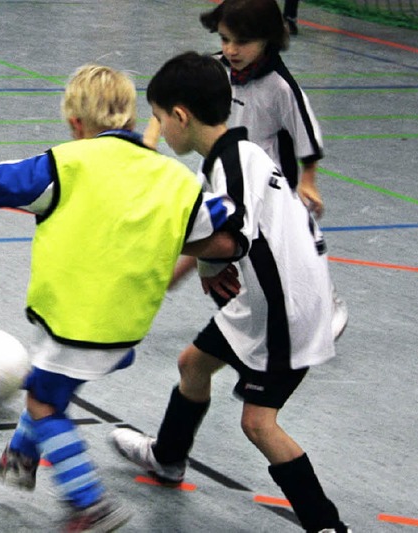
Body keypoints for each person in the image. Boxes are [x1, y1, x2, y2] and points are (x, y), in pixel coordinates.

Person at [0, 64, 239, 532]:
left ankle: (88, 505)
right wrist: (216, 251)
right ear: (130, 118)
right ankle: (21, 457)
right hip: (124, 323)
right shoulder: (177, 181)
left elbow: (0, 180)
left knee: (44, 403)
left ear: (75, 125)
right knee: (51, 383)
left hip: (78, 320)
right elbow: (220, 221)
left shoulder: (66, 165)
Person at [111, 52, 350, 533]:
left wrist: (186, 253)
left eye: (158, 119)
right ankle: (168, 459)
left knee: (258, 423)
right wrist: (184, 273)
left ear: (181, 117)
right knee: (192, 364)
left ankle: (327, 526)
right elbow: (221, 237)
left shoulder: (234, 166)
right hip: (266, 299)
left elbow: (227, 237)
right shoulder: (232, 158)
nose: (157, 131)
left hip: (286, 310)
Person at [160, 0, 348, 340]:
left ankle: (327, 300)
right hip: (223, 169)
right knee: (210, 230)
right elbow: (174, 97)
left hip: (269, 184)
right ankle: (184, 279)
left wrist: (308, 181)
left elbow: (307, 132)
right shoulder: (216, 70)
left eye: (241, 42)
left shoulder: (280, 87)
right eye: (224, 39)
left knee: (285, 250)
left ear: (268, 39)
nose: (231, 50)